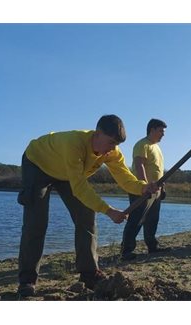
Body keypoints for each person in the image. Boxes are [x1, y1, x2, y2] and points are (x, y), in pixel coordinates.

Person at [16, 115, 158, 297]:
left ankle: (89, 274)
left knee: (86, 217)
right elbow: (80, 188)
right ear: (97, 134)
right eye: (111, 142)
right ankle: (27, 280)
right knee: (36, 223)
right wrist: (108, 210)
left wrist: (142, 187)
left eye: (117, 145)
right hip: (38, 163)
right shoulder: (74, 143)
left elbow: (124, 177)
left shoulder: (112, 152)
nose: (113, 149)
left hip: (67, 173)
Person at [121, 119, 169, 261]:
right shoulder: (142, 144)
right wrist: (145, 185)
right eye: (161, 131)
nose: (163, 135)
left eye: (163, 132)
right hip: (142, 189)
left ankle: (152, 247)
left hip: (156, 190)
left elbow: (158, 170)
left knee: (153, 219)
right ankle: (126, 251)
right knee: (136, 219)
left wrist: (163, 187)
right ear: (152, 130)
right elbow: (139, 165)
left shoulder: (157, 148)